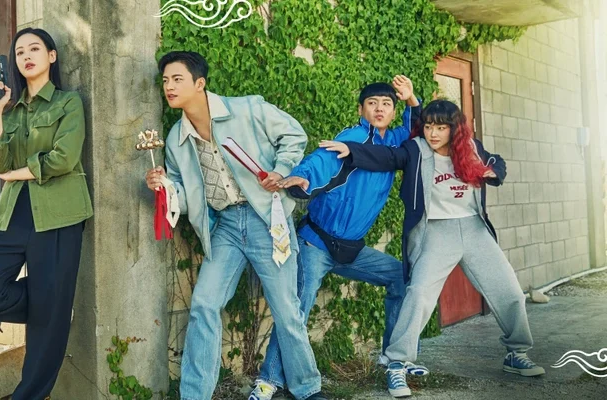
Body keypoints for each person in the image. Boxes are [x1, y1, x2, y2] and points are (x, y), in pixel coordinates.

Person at [324, 99, 545, 398]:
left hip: (474, 229)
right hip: (436, 232)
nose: (433, 133)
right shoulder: (416, 150)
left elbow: (496, 161)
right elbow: (387, 156)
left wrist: (494, 172)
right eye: (429, 126)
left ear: (454, 129)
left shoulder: (472, 148)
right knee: (418, 293)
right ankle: (397, 363)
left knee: (510, 291)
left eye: (441, 128)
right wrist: (352, 150)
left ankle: (516, 353)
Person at [145, 51, 326, 400]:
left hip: (266, 219)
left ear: (200, 83)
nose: (169, 87)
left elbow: (294, 135)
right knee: (204, 304)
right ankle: (194, 396)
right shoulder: (176, 139)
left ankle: (308, 388)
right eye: (165, 80)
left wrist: (281, 171)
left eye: (177, 79)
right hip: (225, 227)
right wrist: (165, 187)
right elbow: (184, 197)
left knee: (286, 309)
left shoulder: (247, 108)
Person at [253, 77, 424, 399]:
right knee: (295, 312)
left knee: (399, 277)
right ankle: (268, 380)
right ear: (361, 109)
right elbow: (320, 160)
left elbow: (416, 130)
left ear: (393, 111)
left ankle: (393, 359)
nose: (379, 109)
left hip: (350, 250)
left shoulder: (396, 141)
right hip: (315, 243)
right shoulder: (352, 136)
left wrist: (412, 100)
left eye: (386, 104)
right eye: (372, 103)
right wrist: (300, 176)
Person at [0, 27, 93, 400]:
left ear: (51, 56)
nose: (26, 56)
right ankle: (52, 305)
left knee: (48, 317)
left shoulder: (67, 103)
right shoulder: (12, 110)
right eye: (19, 52)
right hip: (13, 216)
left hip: (59, 215)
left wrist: (16, 173)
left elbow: (64, 158)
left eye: (34, 49)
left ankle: (30, 395)